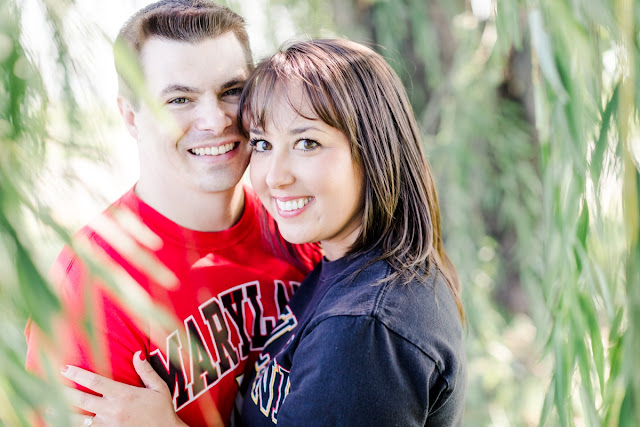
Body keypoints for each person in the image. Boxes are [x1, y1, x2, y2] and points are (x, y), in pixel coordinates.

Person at [62, 38, 467, 425]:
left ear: (375, 149)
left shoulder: (365, 329)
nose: (274, 177)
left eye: (307, 143)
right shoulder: (339, 263)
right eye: (261, 143)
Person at [25, 1, 320, 426]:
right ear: (131, 116)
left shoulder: (296, 225)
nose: (215, 120)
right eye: (179, 99)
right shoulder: (92, 289)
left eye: (231, 91)